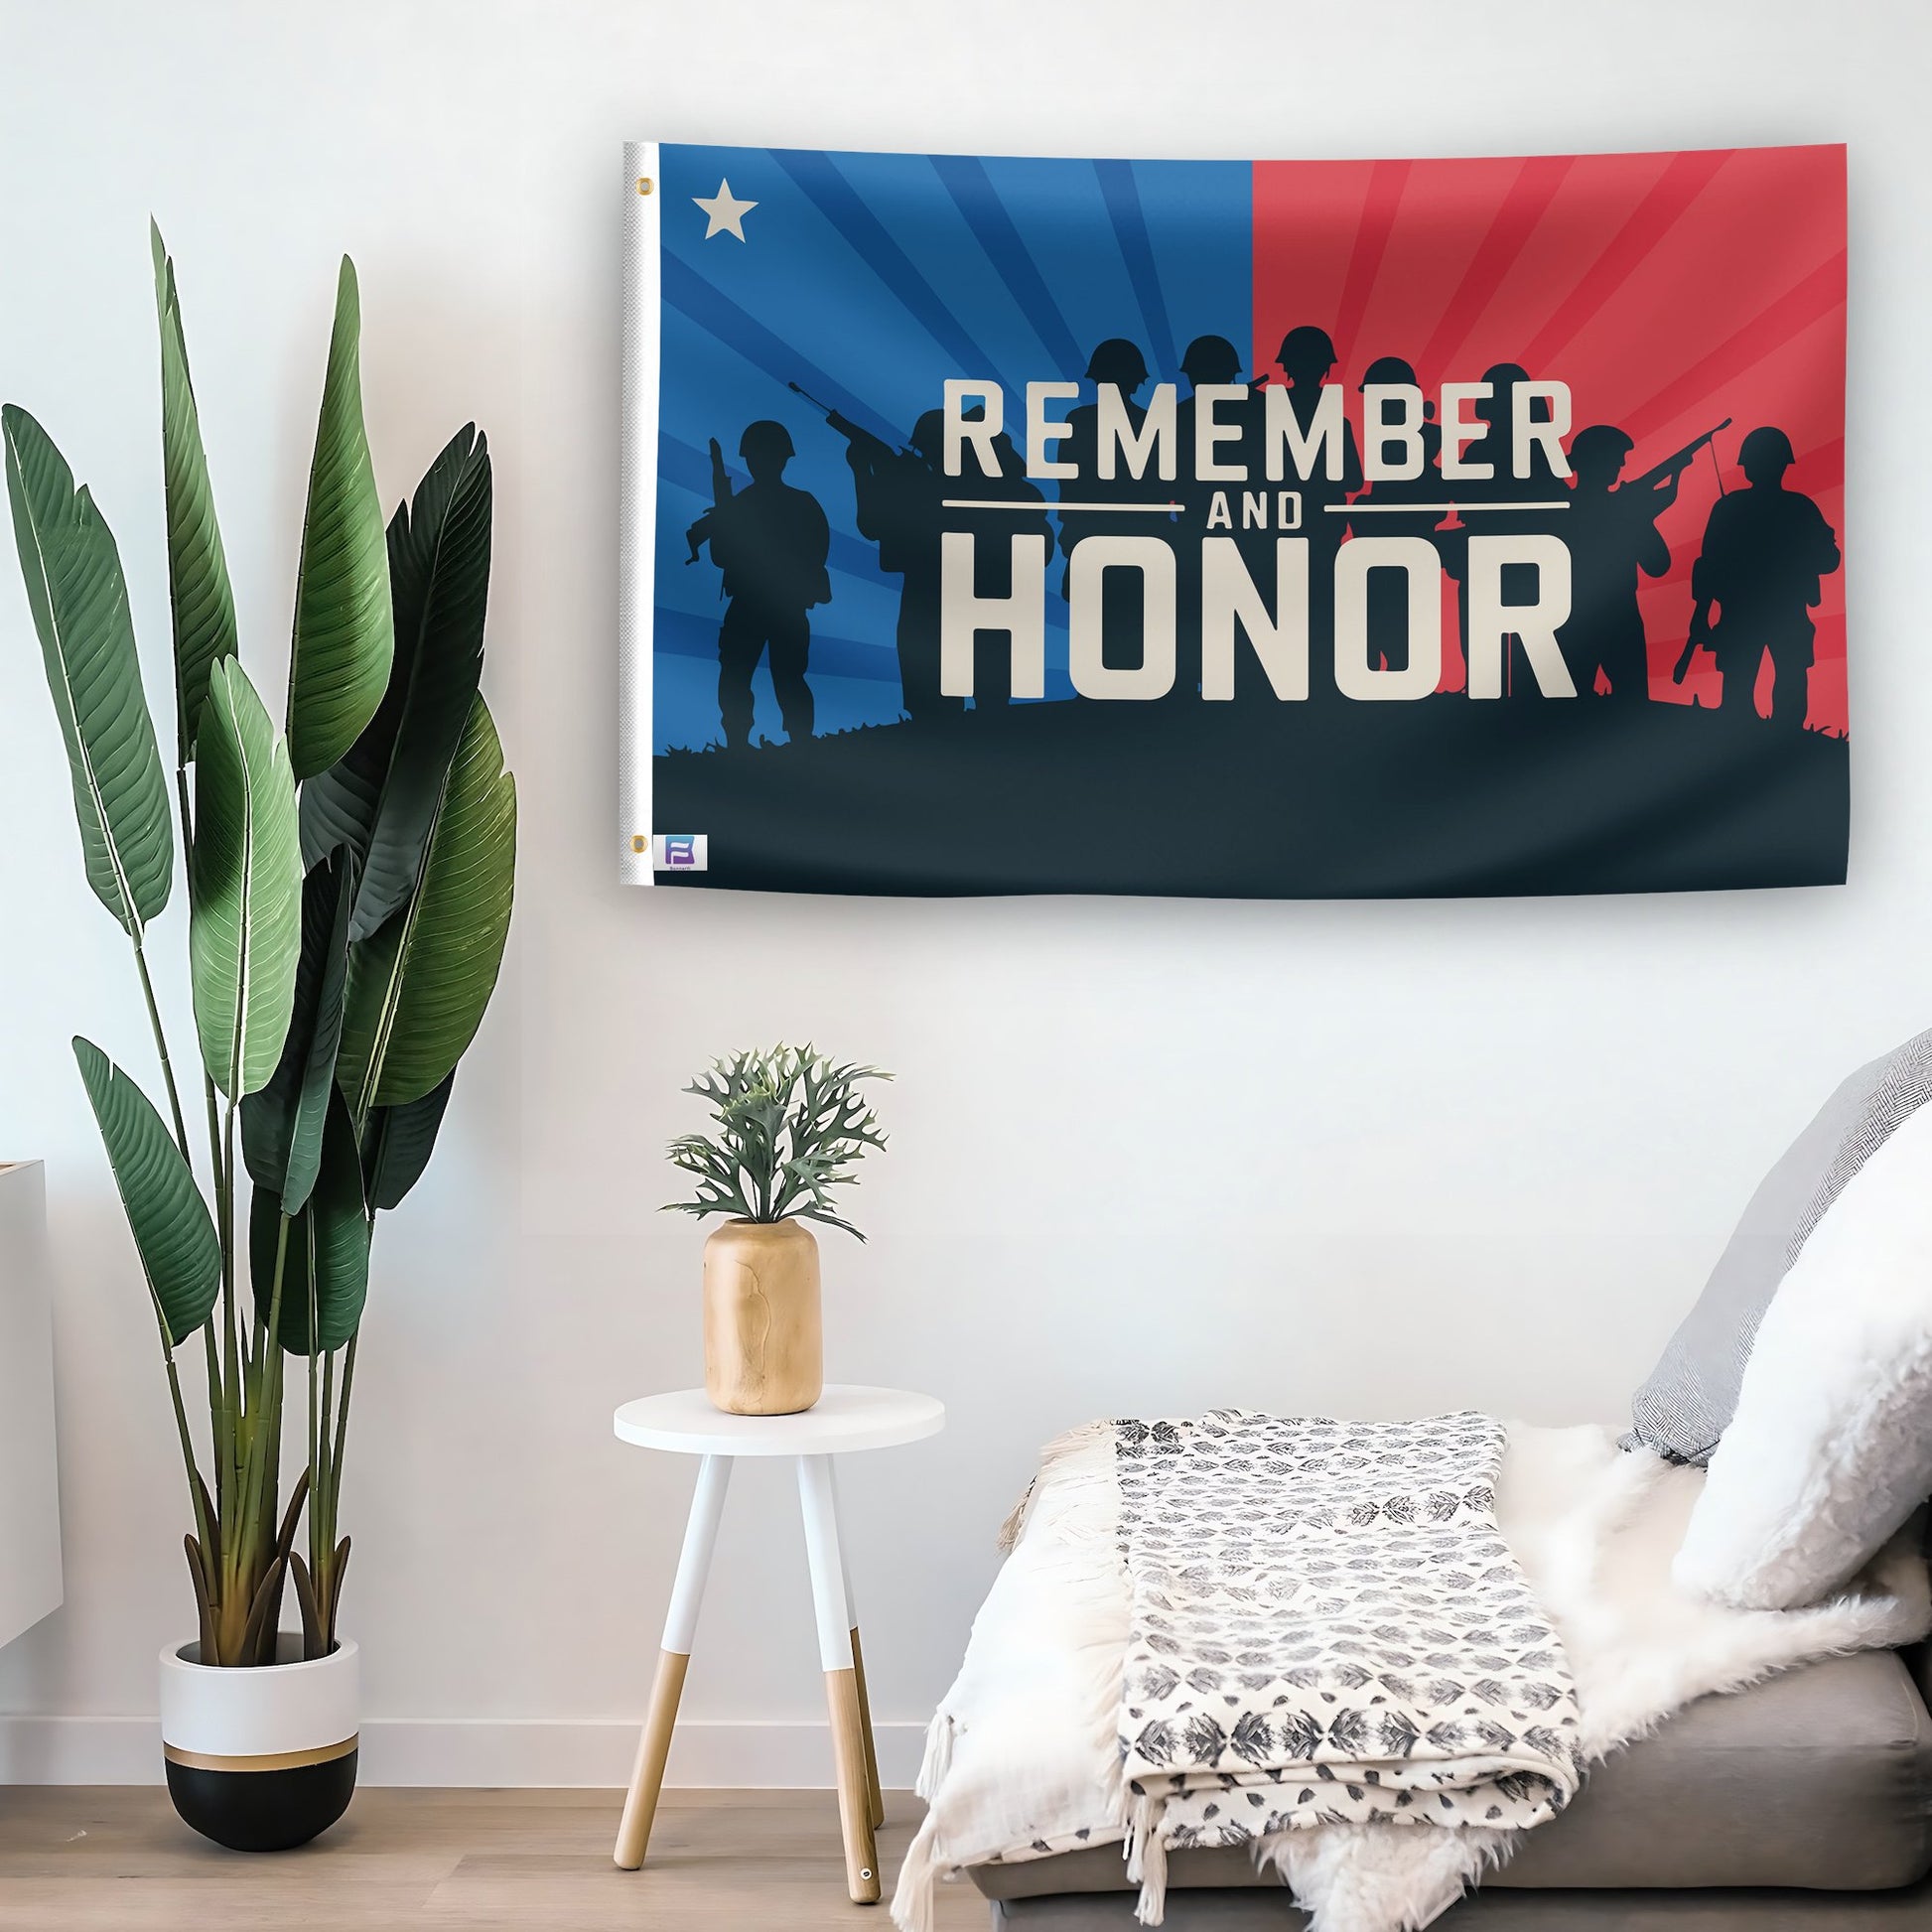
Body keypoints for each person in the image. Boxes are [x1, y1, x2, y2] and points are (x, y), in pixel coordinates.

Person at [1687, 426, 1841, 730]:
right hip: (1776, 611)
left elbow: (1707, 567)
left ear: (1747, 467)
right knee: (1784, 682)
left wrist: (1701, 614)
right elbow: (1829, 559)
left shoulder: (1730, 507)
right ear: (1783, 465)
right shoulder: (1800, 508)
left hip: (1754, 612)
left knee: (1750, 686)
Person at [691, 419, 830, 749]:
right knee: (750, 674)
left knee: (779, 676)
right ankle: (754, 741)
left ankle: (788, 742)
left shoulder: (765, 504)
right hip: (766, 604)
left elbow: (815, 552)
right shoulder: (794, 503)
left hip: (774, 604)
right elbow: (722, 556)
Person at [1058, 339, 1172, 688]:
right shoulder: (1152, 423)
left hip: (1105, 535)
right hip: (1135, 537)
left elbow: (1069, 490)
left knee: (1111, 619)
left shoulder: (1078, 420)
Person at [1270, 325, 1362, 690]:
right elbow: (1353, 480)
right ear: (1326, 369)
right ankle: (1319, 680)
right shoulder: (1334, 422)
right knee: (1320, 607)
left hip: (1279, 530)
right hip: (1317, 532)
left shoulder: (1266, 417)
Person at [1557, 424, 1677, 703]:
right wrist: (1642, 516)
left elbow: (1659, 565)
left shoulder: (1561, 509)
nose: (1622, 464)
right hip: (1609, 618)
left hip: (1582, 618)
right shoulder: (1621, 509)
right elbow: (1658, 564)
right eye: (1617, 457)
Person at [1351, 352, 1444, 677]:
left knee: (1404, 622)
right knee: (1379, 620)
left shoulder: (1424, 437)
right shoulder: (1391, 433)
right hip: (1381, 542)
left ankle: (1402, 674)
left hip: (1409, 540)